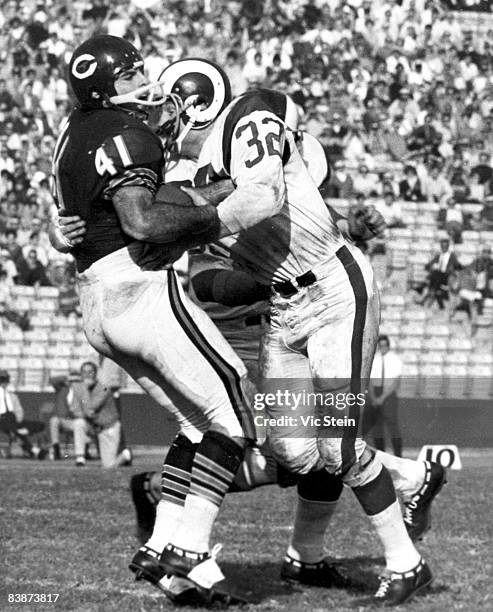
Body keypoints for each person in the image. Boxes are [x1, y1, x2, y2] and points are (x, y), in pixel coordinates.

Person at [156, 59, 433, 605]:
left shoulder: (246, 116)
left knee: (339, 443)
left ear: (198, 101)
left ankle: (406, 561)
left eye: (168, 105)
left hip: (333, 292)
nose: (161, 119)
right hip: (283, 310)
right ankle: (390, 491)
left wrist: (194, 216)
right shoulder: (180, 180)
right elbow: (206, 282)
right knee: (293, 450)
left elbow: (264, 196)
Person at [50, 36, 256, 605]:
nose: (144, 81)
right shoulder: (129, 133)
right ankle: (189, 550)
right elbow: (141, 222)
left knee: (195, 425)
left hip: (98, 300)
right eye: (129, 76)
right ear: (103, 89)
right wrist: (216, 216)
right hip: (138, 289)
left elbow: (83, 210)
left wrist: (200, 193)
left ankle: (161, 552)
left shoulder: (77, 129)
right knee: (234, 412)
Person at [72, 361, 132, 468]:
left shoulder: (104, 388)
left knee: (108, 465)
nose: (87, 374)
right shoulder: (77, 388)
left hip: (108, 428)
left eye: (90, 372)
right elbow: (75, 409)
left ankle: (126, 455)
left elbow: (91, 406)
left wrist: (85, 392)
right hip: (93, 426)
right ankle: (80, 457)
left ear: (95, 373)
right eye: (84, 372)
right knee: (79, 423)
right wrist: (86, 414)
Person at [364, 335, 403, 457]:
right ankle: (381, 456)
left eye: (385, 345)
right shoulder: (374, 359)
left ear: (388, 346)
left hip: (388, 394)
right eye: (380, 346)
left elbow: (396, 382)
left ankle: (398, 456)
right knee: (377, 428)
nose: (383, 348)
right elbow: (369, 381)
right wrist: (374, 397)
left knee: (393, 426)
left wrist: (382, 397)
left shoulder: (395, 359)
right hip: (375, 392)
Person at [49, 369, 95, 464]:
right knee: (54, 420)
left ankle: (81, 454)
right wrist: (66, 377)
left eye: (76, 380)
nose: (74, 383)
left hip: (78, 421)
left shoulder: (83, 390)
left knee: (79, 424)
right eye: (72, 380)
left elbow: (87, 409)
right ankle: (56, 448)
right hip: (64, 420)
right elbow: (52, 380)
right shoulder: (61, 388)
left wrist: (80, 414)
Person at [0, 369, 46, 459]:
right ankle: (32, 449)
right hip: (1, 421)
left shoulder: (12, 396)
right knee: (9, 418)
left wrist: (16, 423)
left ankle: (21, 436)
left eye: (5, 380)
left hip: (14, 422)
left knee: (40, 425)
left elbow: (19, 412)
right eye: (1, 380)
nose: (3, 383)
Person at [422, 237, 463, 309]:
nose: (444, 247)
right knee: (436, 275)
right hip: (438, 277)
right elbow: (429, 264)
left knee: (436, 274)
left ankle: (425, 296)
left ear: (448, 247)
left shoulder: (452, 256)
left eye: (445, 246)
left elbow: (458, 265)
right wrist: (428, 266)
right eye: (442, 246)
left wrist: (455, 269)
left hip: (446, 276)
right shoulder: (439, 256)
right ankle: (434, 296)